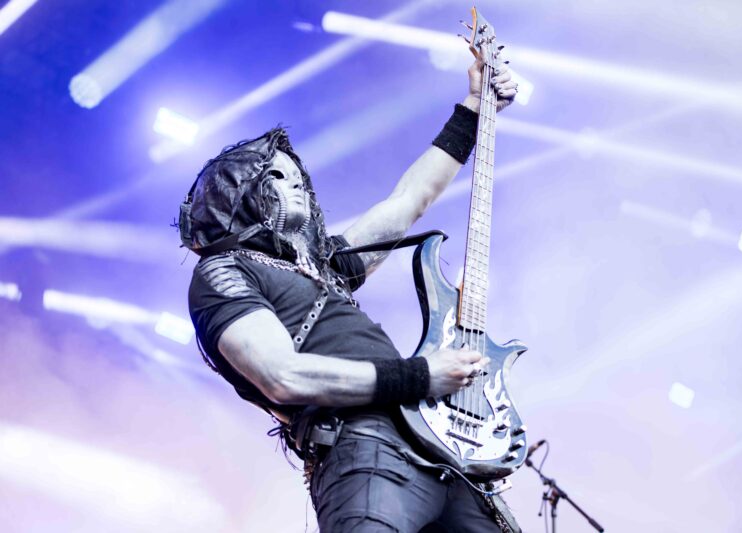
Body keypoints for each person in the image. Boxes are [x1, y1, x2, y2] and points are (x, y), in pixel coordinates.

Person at [181, 56, 521, 532]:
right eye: (275, 176)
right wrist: (420, 376)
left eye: (297, 177)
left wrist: (473, 108)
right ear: (232, 193)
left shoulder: (321, 264)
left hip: (440, 448)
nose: (295, 184)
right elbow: (282, 375)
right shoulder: (223, 271)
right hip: (362, 444)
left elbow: (409, 201)